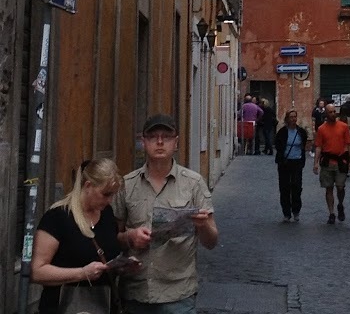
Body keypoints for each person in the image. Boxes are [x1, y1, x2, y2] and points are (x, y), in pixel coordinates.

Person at [114, 114, 218, 314]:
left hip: (178, 294)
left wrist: (202, 225)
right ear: (143, 142)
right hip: (136, 292)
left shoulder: (193, 184)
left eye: (166, 137)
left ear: (176, 142)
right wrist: (129, 237)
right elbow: (111, 237)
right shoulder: (127, 184)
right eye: (153, 137)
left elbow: (211, 241)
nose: (160, 142)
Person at [31, 158, 122, 314]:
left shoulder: (106, 214)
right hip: (64, 306)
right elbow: (37, 272)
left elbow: (111, 246)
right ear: (88, 186)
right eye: (106, 194)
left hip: (104, 305)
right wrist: (82, 273)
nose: (109, 200)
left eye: (112, 195)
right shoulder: (57, 217)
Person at [313, 104, 350, 225]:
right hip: (327, 161)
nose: (332, 114)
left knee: (340, 187)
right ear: (326, 114)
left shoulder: (343, 127)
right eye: (330, 112)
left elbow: (349, 144)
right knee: (328, 188)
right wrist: (315, 163)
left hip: (341, 161)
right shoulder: (321, 129)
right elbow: (318, 147)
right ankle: (331, 213)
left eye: (333, 112)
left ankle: (340, 204)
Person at [275, 109, 308, 222]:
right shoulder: (282, 132)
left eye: (295, 116)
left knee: (297, 186)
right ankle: (286, 212)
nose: (293, 119)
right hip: (285, 162)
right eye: (291, 117)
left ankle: (296, 210)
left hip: (297, 162)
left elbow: (304, 145)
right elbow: (278, 145)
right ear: (287, 119)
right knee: (284, 187)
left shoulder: (301, 132)